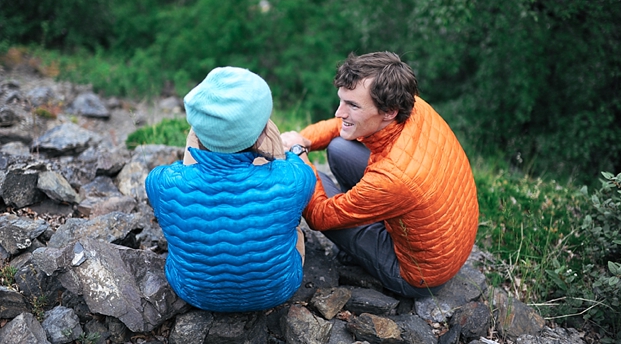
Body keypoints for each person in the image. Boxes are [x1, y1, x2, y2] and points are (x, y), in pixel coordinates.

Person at [281, 51, 478, 298]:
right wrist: (303, 139)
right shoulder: (413, 105)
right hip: (445, 240)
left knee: (307, 187)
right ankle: (365, 215)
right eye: (342, 100)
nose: (339, 112)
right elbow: (340, 127)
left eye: (352, 105)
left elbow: (320, 217)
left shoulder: (393, 177)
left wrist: (298, 156)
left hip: (419, 275)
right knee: (340, 146)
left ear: (389, 111)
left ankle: (362, 243)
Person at [145, 66, 316, 312]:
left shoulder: (159, 182)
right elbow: (291, 165)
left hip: (192, 291)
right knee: (289, 221)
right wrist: (293, 148)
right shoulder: (296, 179)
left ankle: (213, 134)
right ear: (259, 137)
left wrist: (206, 134)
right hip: (277, 290)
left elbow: (178, 168)